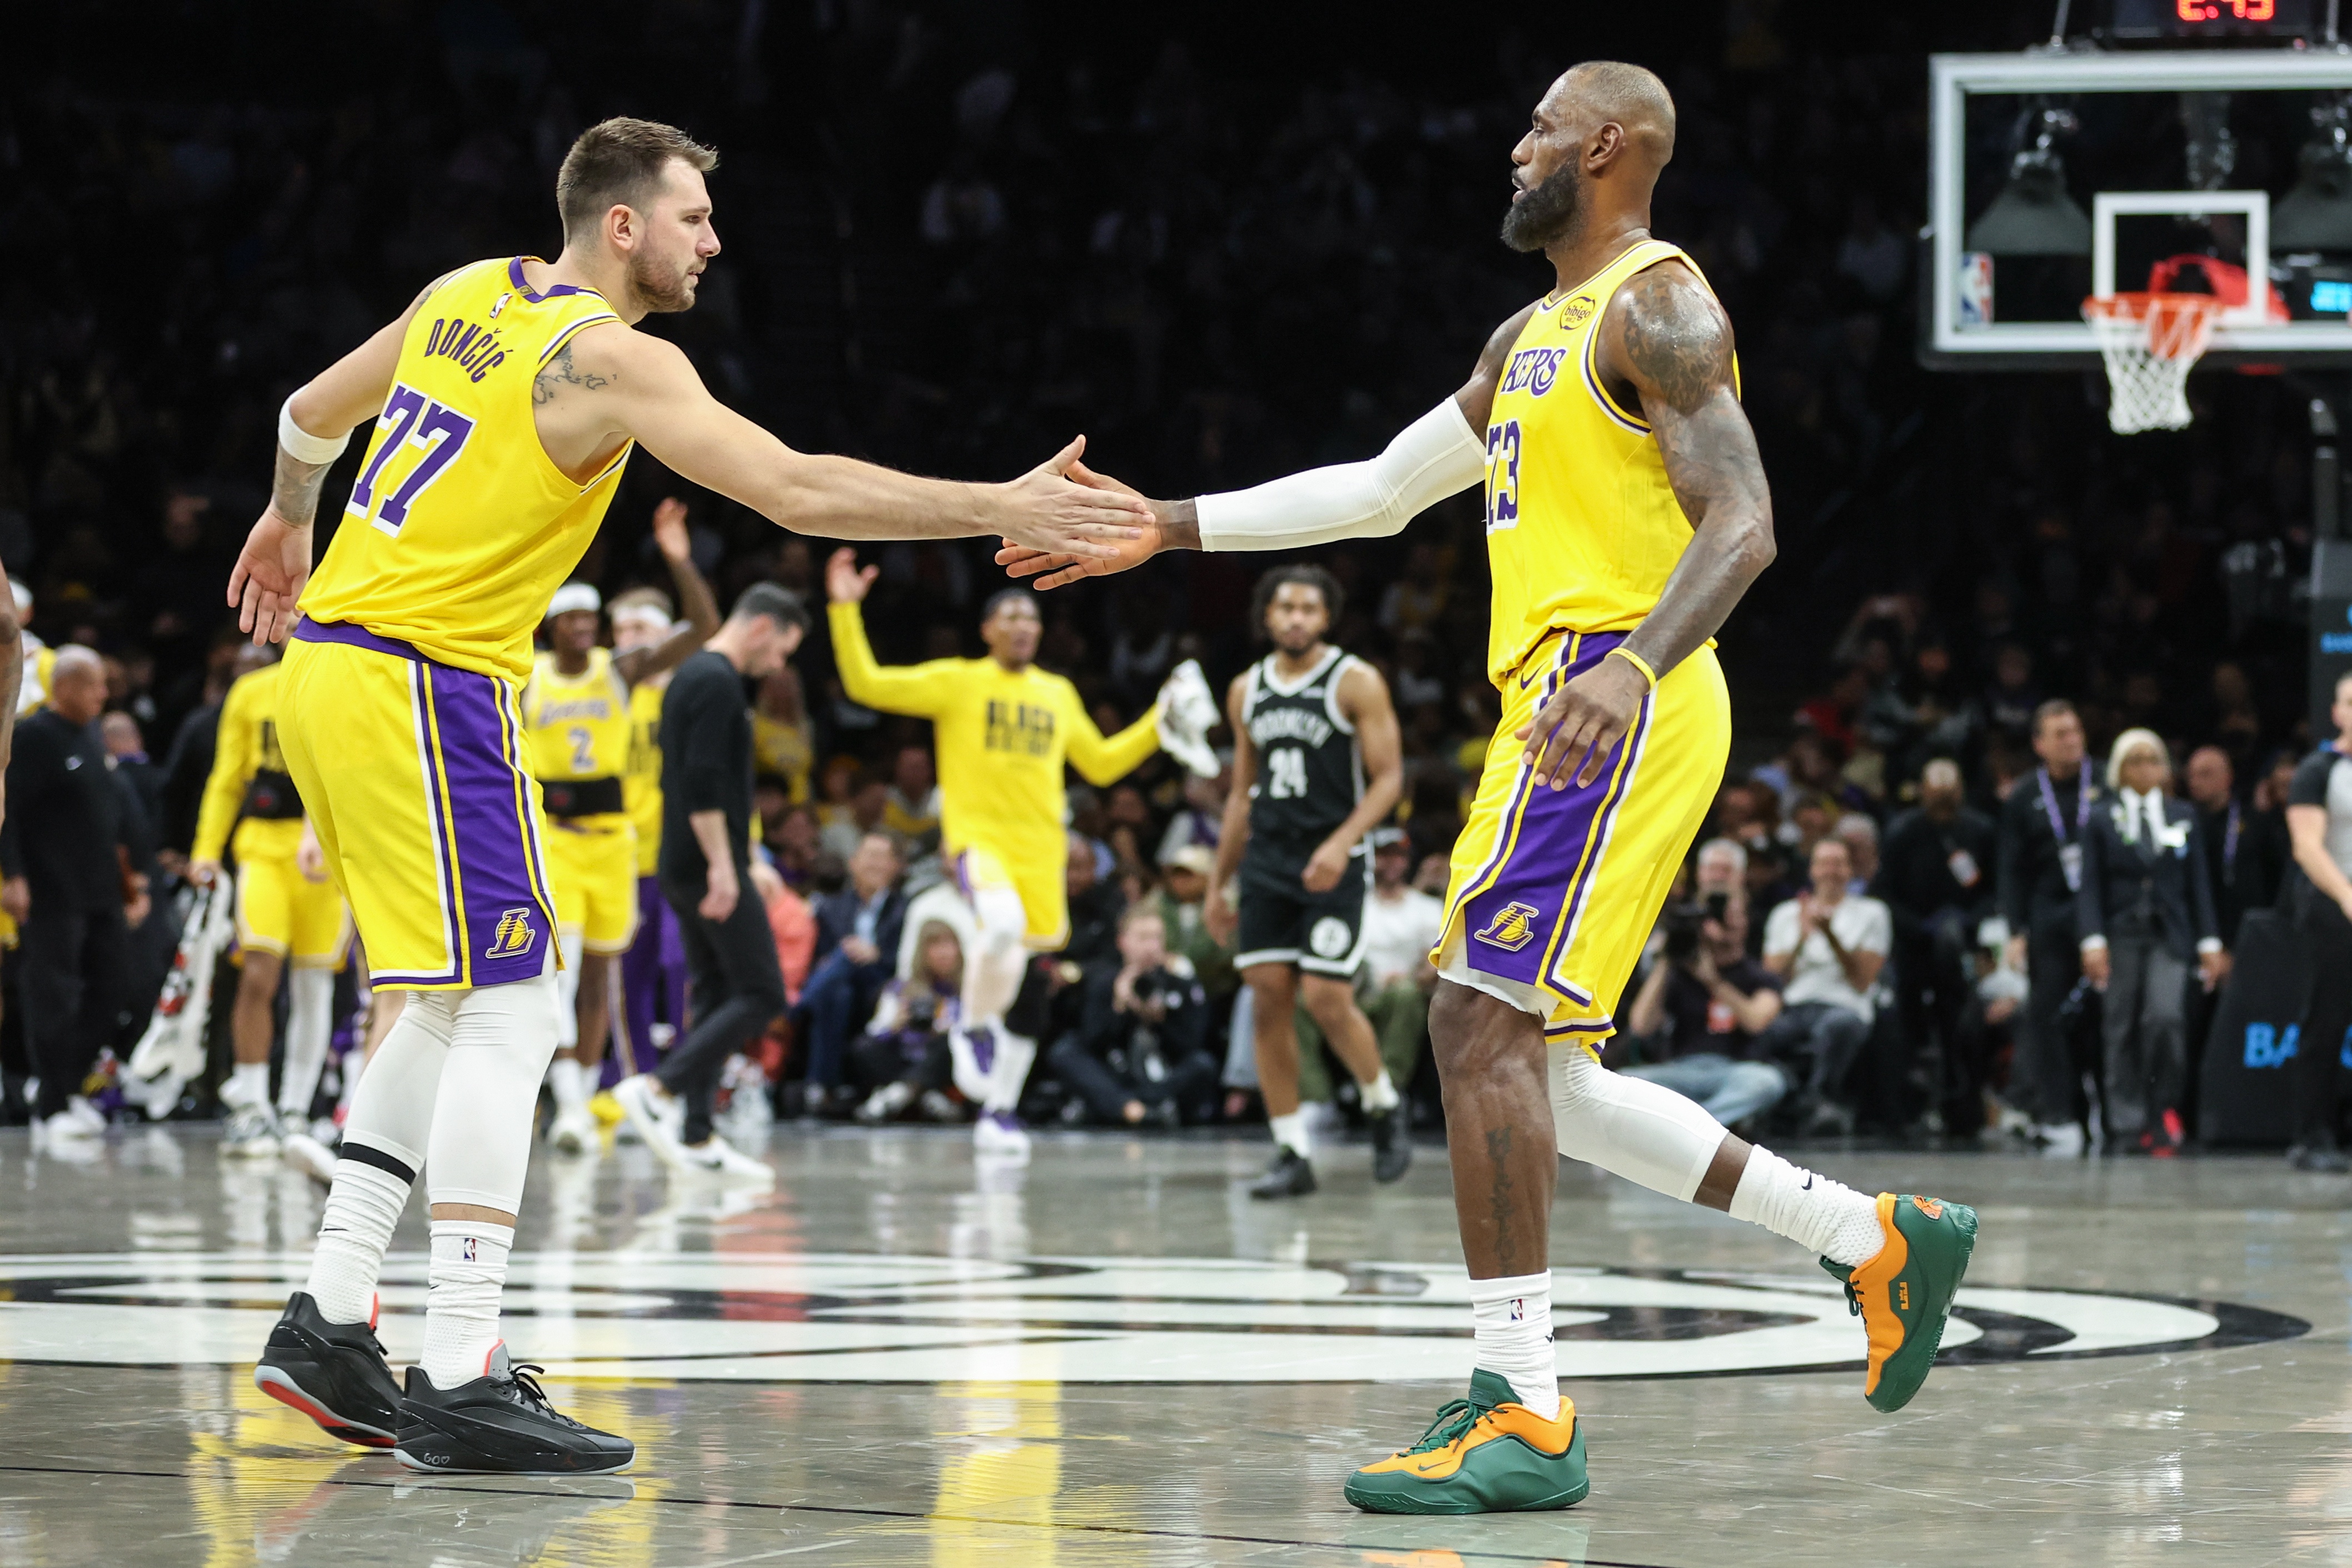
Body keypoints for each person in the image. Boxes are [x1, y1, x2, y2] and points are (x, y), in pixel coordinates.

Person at [997, 62, 1977, 1514]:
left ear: (1605, 145)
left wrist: (1629, 666)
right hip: (1560, 700)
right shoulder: (1528, 333)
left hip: (1614, 683)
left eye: (1536, 128)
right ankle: (1868, 1237)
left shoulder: (1658, 302)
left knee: (1472, 1024)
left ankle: (1522, 1403)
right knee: (1542, 1072)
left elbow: (1746, 522)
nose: (1512, 149)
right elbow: (1381, 488)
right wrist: (1165, 526)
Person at [233, 116, 1152, 1477]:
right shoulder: (611, 356)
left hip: (332, 668)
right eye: (693, 218)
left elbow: (308, 414)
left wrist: (287, 516)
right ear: (622, 225)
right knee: (518, 1003)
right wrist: (994, 503)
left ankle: (328, 1314)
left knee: (444, 1000)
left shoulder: (462, 293)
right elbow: (794, 485)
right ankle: (460, 1363)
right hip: (424, 680)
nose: (714, 242)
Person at [823, 546, 1216, 1160]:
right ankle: (972, 1025)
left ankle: (998, 1109)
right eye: (1009, 617)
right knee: (1001, 926)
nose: (1023, 626)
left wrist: (1157, 723)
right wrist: (844, 611)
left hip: (1042, 854)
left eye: (1031, 618)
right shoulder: (958, 681)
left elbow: (1101, 764)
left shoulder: (1056, 692)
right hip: (980, 842)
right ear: (986, 630)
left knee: (1025, 988)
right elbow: (865, 683)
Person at [524, 494, 718, 1156]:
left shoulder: (620, 671)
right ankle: (566, 1099)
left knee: (600, 978)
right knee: (562, 973)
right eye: (572, 620)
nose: (584, 629)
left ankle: (580, 1101)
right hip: (554, 838)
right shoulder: (530, 676)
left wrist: (679, 561)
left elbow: (703, 624)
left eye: (591, 619)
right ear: (552, 628)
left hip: (614, 843)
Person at [1208, 563, 1410, 1197]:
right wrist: (1218, 882)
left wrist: (1341, 843)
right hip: (1268, 860)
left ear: (1326, 618)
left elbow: (1389, 779)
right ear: (1267, 615)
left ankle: (1382, 1103)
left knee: (1325, 997)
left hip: (1334, 859)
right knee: (1267, 997)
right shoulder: (1245, 689)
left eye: (1308, 609)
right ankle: (1291, 1150)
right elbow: (1241, 793)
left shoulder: (1355, 680)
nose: (1296, 618)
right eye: (1286, 607)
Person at [610, 585, 807, 1179]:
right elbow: (702, 784)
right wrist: (727, 864)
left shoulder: (691, 676)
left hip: (680, 860)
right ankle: (659, 1089)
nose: (778, 664)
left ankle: (697, 1135)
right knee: (763, 993)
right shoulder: (716, 681)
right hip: (704, 864)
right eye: (782, 650)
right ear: (762, 628)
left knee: (716, 992)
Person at [188, 647, 354, 1166]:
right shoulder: (252, 690)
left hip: (328, 854)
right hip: (262, 849)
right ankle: (253, 1102)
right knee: (259, 972)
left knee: (314, 982)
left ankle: (296, 1108)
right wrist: (206, 850)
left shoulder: (349, 681)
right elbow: (226, 777)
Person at [1, 648, 142, 1145]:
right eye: (92, 685)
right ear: (63, 687)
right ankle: (52, 1104)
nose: (103, 694)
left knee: (116, 986)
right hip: (51, 891)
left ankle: (66, 1083)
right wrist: (12, 875)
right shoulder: (33, 737)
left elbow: (107, 817)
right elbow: (8, 809)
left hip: (100, 889)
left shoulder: (91, 734)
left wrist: (130, 883)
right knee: (53, 996)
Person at [2076, 729, 2225, 1156]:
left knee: (2165, 1017)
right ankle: (2127, 1120)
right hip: (2121, 932)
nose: (2145, 768)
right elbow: (2090, 885)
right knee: (2120, 1024)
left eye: (2153, 759)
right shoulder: (2101, 817)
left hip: (2169, 933)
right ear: (2120, 769)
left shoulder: (2183, 815)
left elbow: (2199, 883)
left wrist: (2210, 940)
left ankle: (2162, 1106)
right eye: (2135, 760)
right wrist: (2091, 939)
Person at [1873, 758, 1998, 1132]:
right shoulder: (1902, 832)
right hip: (1914, 948)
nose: (1943, 802)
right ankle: (1907, 1111)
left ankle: (1965, 1110)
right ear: (1923, 793)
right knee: (1907, 1027)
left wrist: (1967, 923)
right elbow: (1885, 891)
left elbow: (1995, 889)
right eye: (1936, 795)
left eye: (1950, 795)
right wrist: (1920, 928)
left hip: (1965, 950)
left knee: (1965, 1029)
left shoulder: (1980, 830)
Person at [1999, 700, 2101, 1153]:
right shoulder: (2024, 795)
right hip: (2049, 915)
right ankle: (2060, 1114)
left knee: (2106, 1014)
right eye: (2060, 734)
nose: (2072, 740)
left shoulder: (2105, 783)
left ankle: (2111, 1114)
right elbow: (2012, 869)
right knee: (2047, 1015)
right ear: (2040, 744)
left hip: (2100, 914)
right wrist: (2016, 929)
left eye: (2075, 730)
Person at [610, 586, 692, 1085]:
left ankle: (684, 1079)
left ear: (667, 633)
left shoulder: (693, 689)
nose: (627, 639)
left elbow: (726, 774)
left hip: (684, 857)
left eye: (639, 628)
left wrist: (748, 849)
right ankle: (635, 1081)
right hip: (624, 858)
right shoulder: (611, 694)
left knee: (682, 966)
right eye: (620, 630)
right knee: (628, 978)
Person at [1757, 838, 1890, 1131]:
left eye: (1839, 864)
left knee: (1838, 1027)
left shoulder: (1872, 913)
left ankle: (1818, 1099)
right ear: (1812, 870)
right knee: (1759, 1031)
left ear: (1850, 870)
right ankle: (1787, 1100)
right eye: (1824, 864)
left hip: (1844, 1006)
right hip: (1794, 1007)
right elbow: (1772, 980)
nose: (1831, 871)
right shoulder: (1785, 914)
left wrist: (1831, 936)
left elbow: (1862, 981)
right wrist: (1801, 939)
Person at [1621, 893, 1785, 1128]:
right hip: (1680, 1071)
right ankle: (1707, 1128)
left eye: (1733, 917)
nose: (1723, 925)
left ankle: (1694, 1129)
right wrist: (1668, 957)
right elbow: (1641, 1026)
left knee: (1767, 1082)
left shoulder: (1759, 977)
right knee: (1627, 1081)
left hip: (1734, 1070)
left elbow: (1756, 1022)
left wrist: (1713, 981)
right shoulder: (1677, 974)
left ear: (1746, 923)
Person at [1045, 901, 1217, 1126]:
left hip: (1162, 1077)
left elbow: (1192, 1044)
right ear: (1122, 942)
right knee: (1066, 1051)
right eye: (1143, 938)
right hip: (1117, 1074)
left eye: (1157, 938)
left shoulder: (1180, 981)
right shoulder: (1106, 981)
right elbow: (1093, 1042)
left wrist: (1158, 1020)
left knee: (1203, 1064)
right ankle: (1131, 1108)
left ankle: (1130, 1107)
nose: (1151, 947)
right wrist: (1119, 1008)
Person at [2283, 672, 2352, 1171]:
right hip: (2332, 906)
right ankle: (2312, 1136)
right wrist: (2347, 895)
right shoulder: (2318, 769)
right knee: (2327, 1021)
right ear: (2336, 712)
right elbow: (2307, 846)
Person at [800, 831, 908, 1113]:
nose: (876, 864)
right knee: (838, 990)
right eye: (870, 856)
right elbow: (817, 958)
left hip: (882, 984)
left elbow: (910, 961)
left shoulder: (905, 910)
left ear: (896, 867)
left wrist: (876, 955)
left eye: (883, 858)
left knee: (843, 962)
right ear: (853, 863)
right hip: (841, 988)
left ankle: (797, 1008)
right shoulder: (830, 907)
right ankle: (826, 1087)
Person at [2183, 744, 2285, 947]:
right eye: (2191, 776)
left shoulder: (2254, 822)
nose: (2195, 782)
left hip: (2248, 930)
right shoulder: (2183, 823)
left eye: (2205, 774)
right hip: (2194, 932)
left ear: (2227, 777)